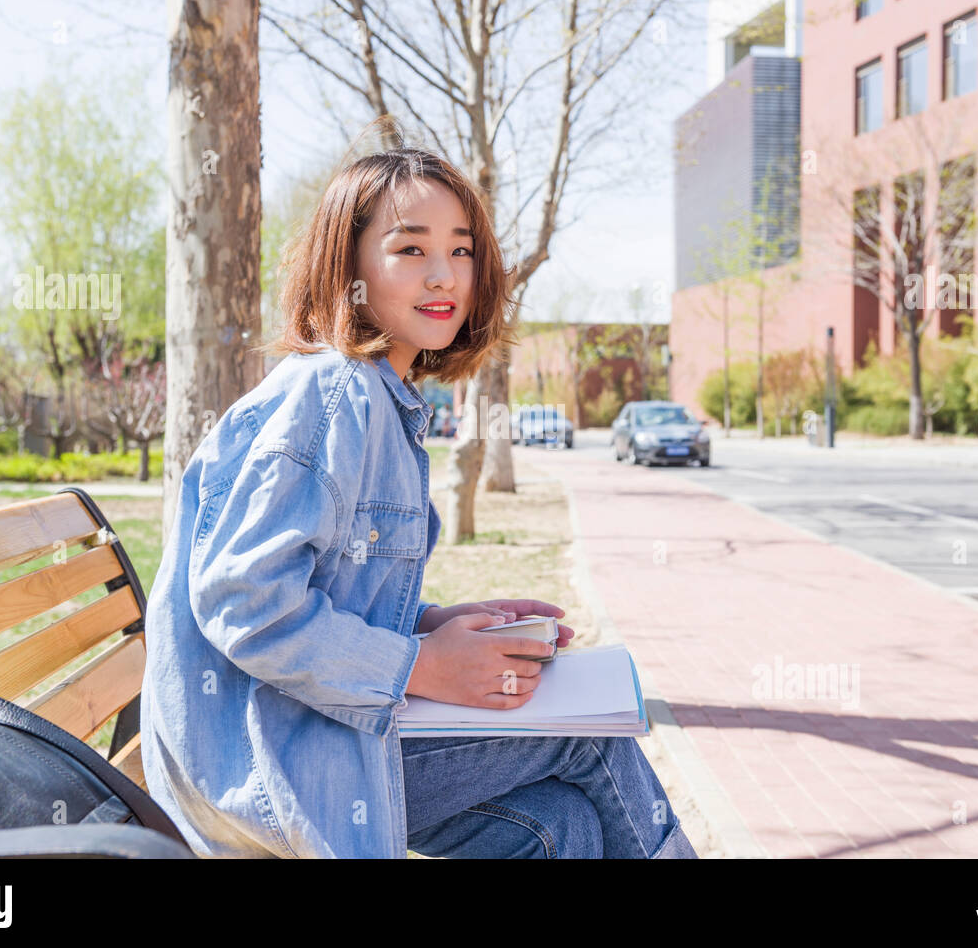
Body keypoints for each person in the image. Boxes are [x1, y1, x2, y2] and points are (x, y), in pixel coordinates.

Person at [139, 143, 697, 859]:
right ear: (349, 268)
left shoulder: (380, 397)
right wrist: (421, 665)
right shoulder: (332, 393)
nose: (444, 275)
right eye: (410, 249)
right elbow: (243, 601)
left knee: (561, 824)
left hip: (316, 728)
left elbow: (323, 584)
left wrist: (433, 624)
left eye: (461, 250)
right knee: (586, 732)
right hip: (263, 761)